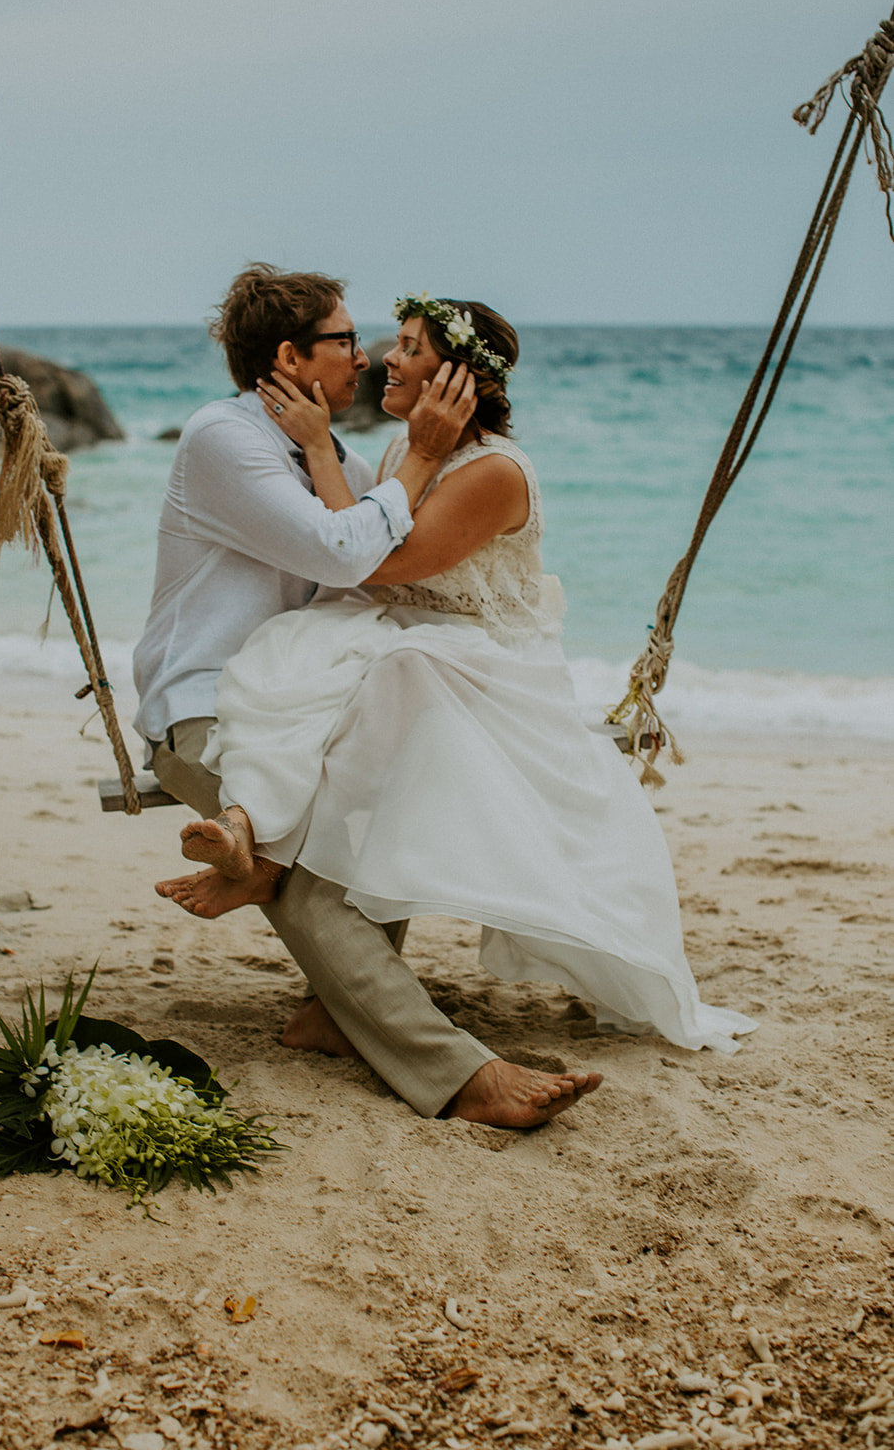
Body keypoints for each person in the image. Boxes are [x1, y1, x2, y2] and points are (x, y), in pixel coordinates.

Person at [156, 290, 756, 1059]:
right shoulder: (392, 456)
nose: (384, 358)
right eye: (381, 342)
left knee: (386, 671)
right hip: (412, 645)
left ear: (456, 378)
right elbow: (353, 544)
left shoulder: (492, 472)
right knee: (315, 664)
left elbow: (379, 565)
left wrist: (384, 455)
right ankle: (295, 924)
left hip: (480, 665)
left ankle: (259, 849)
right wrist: (325, 451)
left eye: (408, 347)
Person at [135, 264, 600, 1129]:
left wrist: (412, 460)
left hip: (304, 700)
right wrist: (422, 453)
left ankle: (327, 1016)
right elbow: (350, 552)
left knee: (409, 757)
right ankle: (462, 1076)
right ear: (290, 355)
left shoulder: (323, 444)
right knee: (308, 882)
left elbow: (386, 530)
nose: (368, 355)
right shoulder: (223, 439)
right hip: (206, 711)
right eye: (346, 340)